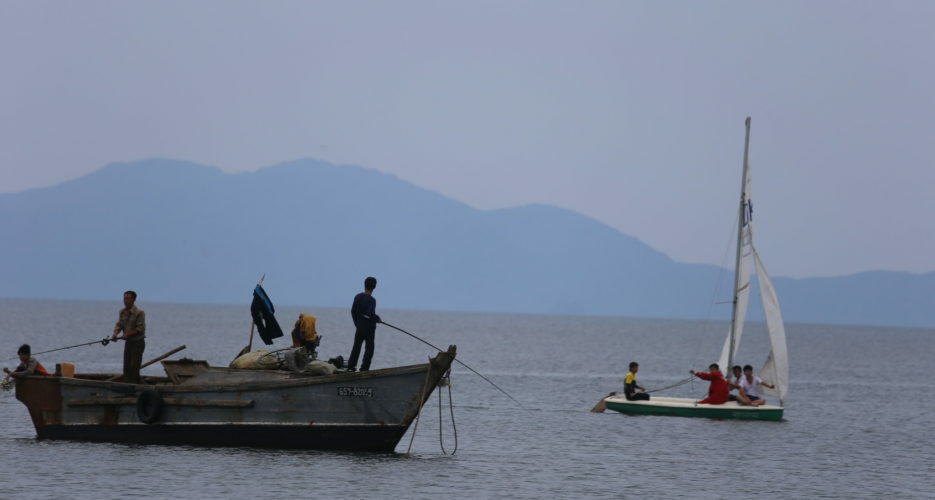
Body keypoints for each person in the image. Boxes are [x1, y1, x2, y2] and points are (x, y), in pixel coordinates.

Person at [111, 290, 146, 384]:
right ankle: (127, 386)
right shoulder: (122, 312)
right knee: (126, 366)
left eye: (128, 299)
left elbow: (140, 329)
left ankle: (134, 387)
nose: (125, 301)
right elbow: (119, 325)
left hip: (138, 343)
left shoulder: (139, 312)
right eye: (124, 298)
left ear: (134, 300)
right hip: (128, 343)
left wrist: (128, 334)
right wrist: (115, 334)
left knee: (134, 367)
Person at [348, 277, 380, 372]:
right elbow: (370, 314)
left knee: (356, 346)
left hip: (359, 326)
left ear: (364, 285)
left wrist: (357, 323)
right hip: (369, 328)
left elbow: (353, 311)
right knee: (369, 348)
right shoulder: (372, 300)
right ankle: (364, 369)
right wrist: (377, 318)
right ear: (374, 287)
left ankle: (351, 366)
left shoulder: (357, 296)